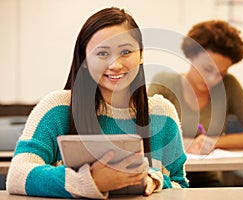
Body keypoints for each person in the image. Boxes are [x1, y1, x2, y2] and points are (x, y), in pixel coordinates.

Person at [6, 7, 188, 199]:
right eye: (102, 53)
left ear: (141, 54)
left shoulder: (163, 113)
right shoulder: (57, 107)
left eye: (126, 51)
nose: (115, 65)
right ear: (84, 59)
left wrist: (154, 179)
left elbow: (180, 184)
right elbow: (17, 175)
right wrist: (88, 181)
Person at [148, 20, 243, 187]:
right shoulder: (164, 82)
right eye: (207, 69)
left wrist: (213, 142)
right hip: (167, 181)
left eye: (221, 73)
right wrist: (184, 144)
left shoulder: (228, 85)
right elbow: (144, 132)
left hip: (209, 180)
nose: (213, 79)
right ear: (191, 57)